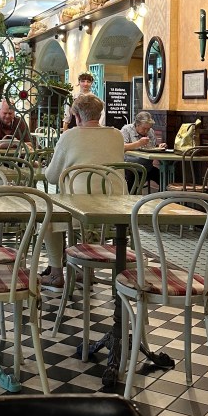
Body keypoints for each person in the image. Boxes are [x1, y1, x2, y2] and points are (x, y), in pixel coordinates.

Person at [42, 93, 125, 290]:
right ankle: (84, 269)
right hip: (116, 212)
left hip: (79, 213)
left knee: (47, 217)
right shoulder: (117, 135)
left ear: (77, 116)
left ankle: (55, 273)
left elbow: (52, 177)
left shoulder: (69, 136)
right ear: (100, 114)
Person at [121, 111, 167, 189]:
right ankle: (131, 196)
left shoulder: (150, 131)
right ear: (137, 125)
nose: (146, 131)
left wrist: (159, 146)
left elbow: (153, 146)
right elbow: (122, 147)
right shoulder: (126, 130)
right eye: (144, 128)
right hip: (131, 166)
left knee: (165, 180)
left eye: (148, 129)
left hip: (147, 167)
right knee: (132, 183)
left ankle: (164, 196)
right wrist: (138, 143)